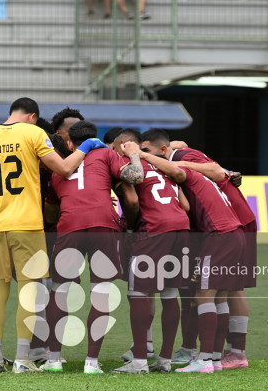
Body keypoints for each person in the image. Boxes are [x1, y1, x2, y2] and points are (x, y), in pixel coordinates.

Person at [0, 97, 106, 374]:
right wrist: (86, 146)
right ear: (32, 116)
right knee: (29, 290)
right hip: (27, 224)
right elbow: (65, 169)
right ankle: (23, 359)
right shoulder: (33, 133)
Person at [139, 129, 246, 374]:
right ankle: (216, 359)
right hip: (232, 232)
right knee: (218, 298)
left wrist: (141, 156)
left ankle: (204, 360)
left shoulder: (181, 169)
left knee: (203, 296)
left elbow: (177, 168)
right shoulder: (195, 169)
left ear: (163, 152)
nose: (145, 156)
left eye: (148, 152)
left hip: (219, 234)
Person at [42, 121, 145, 374]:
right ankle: (91, 362)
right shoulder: (106, 154)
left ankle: (53, 359)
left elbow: (50, 211)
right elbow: (136, 177)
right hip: (103, 225)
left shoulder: (60, 167)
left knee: (59, 290)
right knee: (100, 291)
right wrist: (134, 154)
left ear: (69, 143)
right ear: (94, 139)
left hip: (69, 226)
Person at [108, 128, 190, 374]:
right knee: (169, 292)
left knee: (138, 293)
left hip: (153, 229)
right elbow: (185, 205)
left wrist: (131, 229)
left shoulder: (127, 164)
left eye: (114, 148)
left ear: (124, 145)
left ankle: (140, 360)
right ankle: (164, 359)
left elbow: (132, 200)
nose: (113, 153)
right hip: (181, 227)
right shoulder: (161, 166)